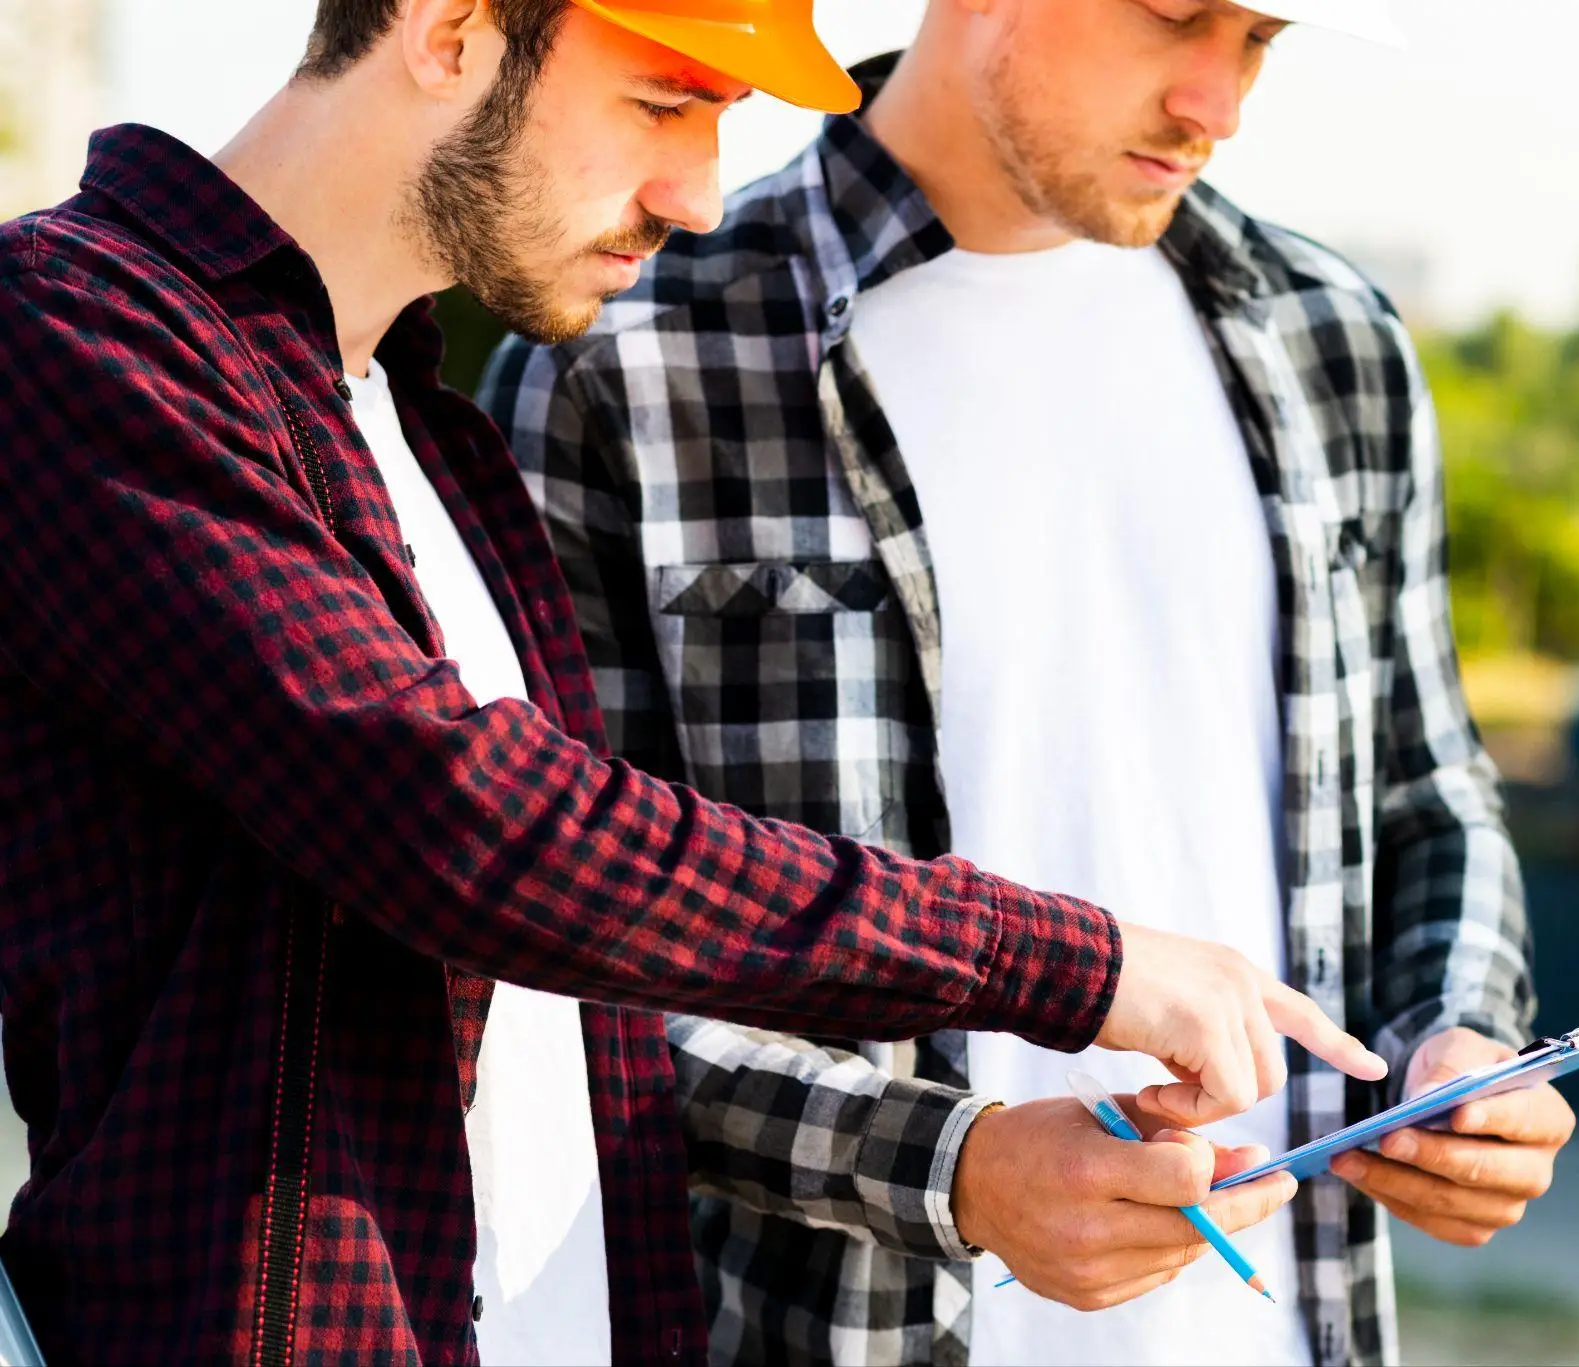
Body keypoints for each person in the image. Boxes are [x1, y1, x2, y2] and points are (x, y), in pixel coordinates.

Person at [0, 2, 1389, 1363]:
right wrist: (1071, 962)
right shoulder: (73, 334)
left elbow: (613, 965)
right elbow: (489, 831)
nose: (701, 196)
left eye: (720, 123)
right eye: (663, 104)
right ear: (448, 28)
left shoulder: (430, 438)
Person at [481, 1, 1578, 1363]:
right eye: (1175, 18)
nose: (1215, 102)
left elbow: (1428, 787)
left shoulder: (1332, 339)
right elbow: (554, 961)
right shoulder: (630, 357)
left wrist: (1464, 1038)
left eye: (1259, 42)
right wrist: (961, 1170)